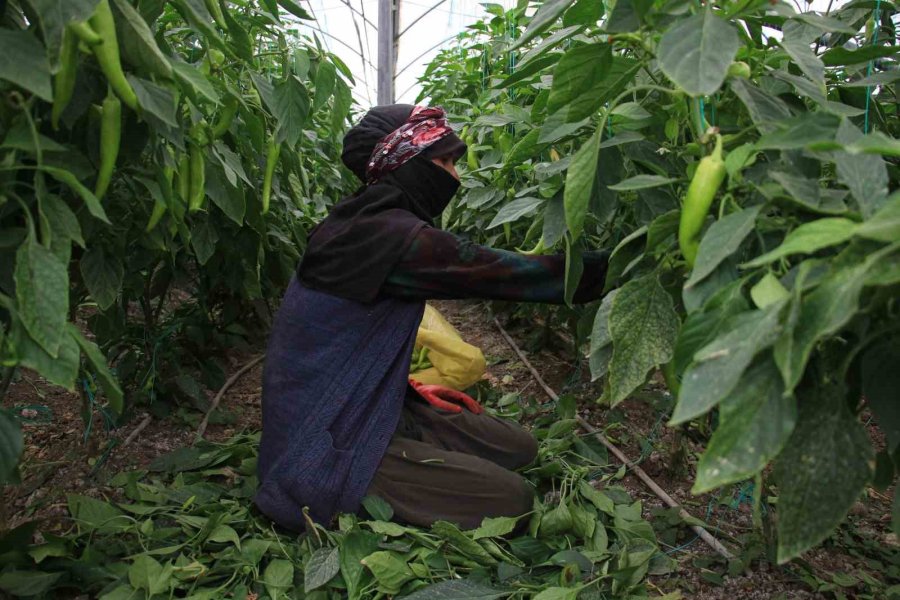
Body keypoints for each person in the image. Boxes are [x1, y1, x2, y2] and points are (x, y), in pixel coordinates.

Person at [255, 104, 609, 532]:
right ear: (406, 162)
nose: (455, 178)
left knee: (520, 447)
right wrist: (622, 264)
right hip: (323, 442)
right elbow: (500, 274)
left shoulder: (363, 224)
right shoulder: (382, 238)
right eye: (445, 162)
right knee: (514, 500)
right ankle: (343, 485)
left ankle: (404, 438)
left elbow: (332, 345)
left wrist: (411, 392)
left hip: (365, 405)